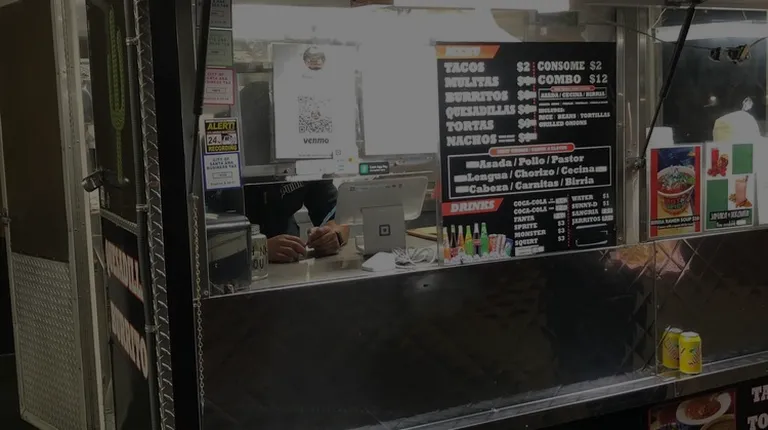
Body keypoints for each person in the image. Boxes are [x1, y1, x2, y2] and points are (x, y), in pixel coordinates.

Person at [243, 180, 349, 263]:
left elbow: (341, 219)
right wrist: (260, 249)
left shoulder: (305, 165)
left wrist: (333, 236)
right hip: (243, 266)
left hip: (291, 262)